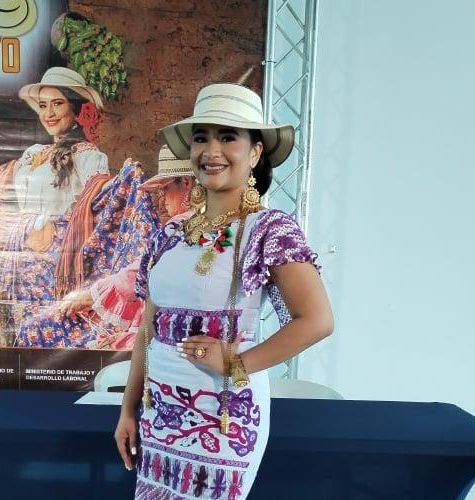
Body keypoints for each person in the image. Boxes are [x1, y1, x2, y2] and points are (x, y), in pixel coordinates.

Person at [114, 84, 334, 499]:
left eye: (228, 137)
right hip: (158, 415)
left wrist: (236, 363)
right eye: (201, 138)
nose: (211, 151)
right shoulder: (171, 233)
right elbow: (148, 328)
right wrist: (128, 409)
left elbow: (317, 321)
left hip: (224, 416)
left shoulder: (269, 229)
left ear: (255, 152)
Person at [0, 67, 156, 345]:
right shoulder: (35, 153)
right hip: (17, 255)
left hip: (52, 260)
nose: (49, 113)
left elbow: (99, 195)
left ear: (77, 109)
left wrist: (124, 181)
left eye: (57, 104)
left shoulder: (88, 156)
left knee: (41, 327)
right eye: (43, 106)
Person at [18, 144, 196, 349]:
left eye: (165, 188)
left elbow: (144, 269)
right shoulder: (200, 224)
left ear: (186, 183)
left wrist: (92, 295)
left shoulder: (181, 227)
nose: (161, 197)